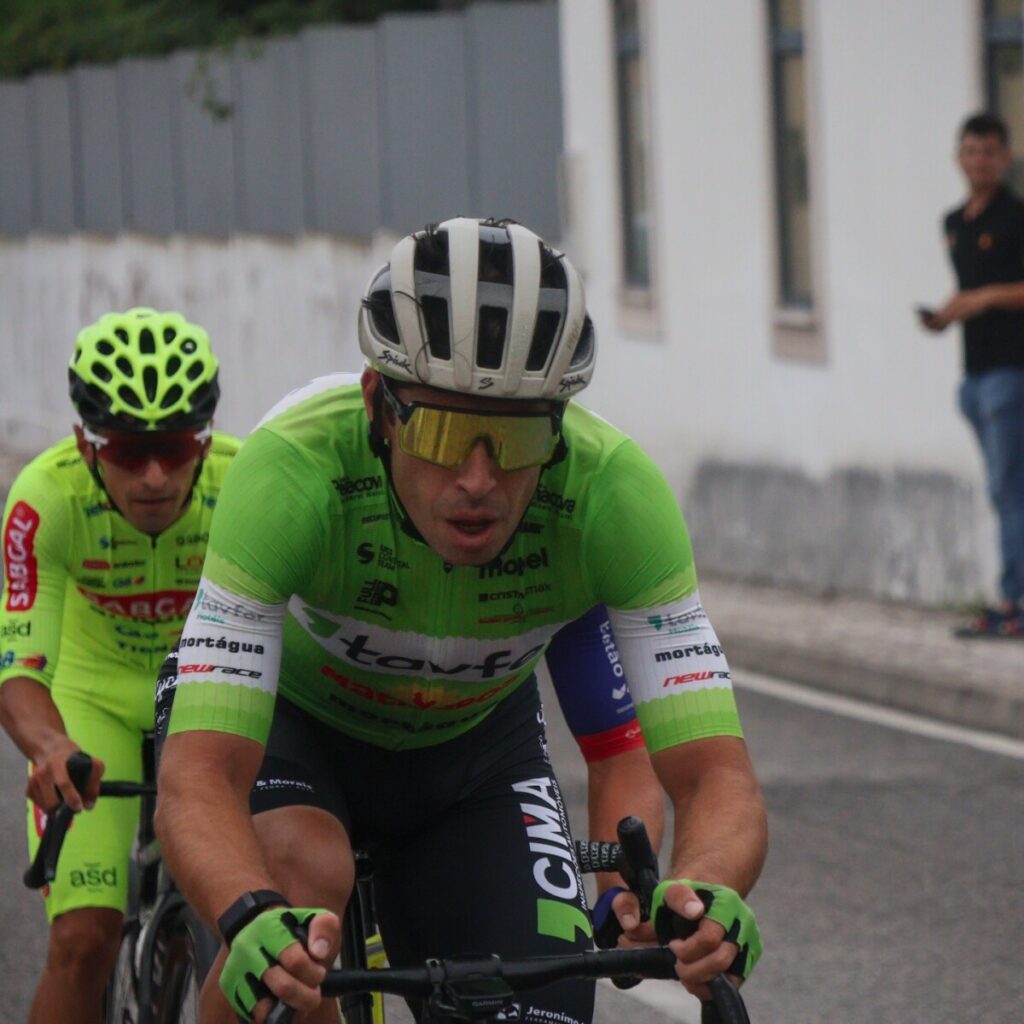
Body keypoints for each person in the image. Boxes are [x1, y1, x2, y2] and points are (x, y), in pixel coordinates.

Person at [154, 218, 767, 1024]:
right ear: (380, 406)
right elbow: (198, 778)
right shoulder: (293, 471)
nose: (478, 479)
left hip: (473, 753)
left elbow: (715, 774)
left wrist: (709, 891)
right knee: (295, 908)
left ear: (557, 426)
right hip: (292, 725)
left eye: (515, 438)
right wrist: (244, 914)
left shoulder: (613, 495)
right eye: (442, 432)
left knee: (537, 1011)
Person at [0, 308, 239, 1024]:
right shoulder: (46, 498)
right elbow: (16, 664)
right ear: (85, 442)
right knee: (83, 939)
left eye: (176, 446)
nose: (157, 475)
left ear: (204, 438)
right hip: (90, 701)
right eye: (129, 452)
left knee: (248, 929)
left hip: (208, 695)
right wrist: (50, 748)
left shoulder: (245, 485)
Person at [920, 113, 1024, 638]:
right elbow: (967, 292)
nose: (978, 160)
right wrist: (945, 315)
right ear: (959, 158)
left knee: (1012, 487)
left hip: (1013, 371)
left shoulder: (1016, 216)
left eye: (988, 150)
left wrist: (983, 299)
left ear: (1004, 157)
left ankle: (1014, 600)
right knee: (1002, 487)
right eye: (970, 150)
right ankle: (1011, 594)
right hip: (974, 374)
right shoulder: (954, 223)